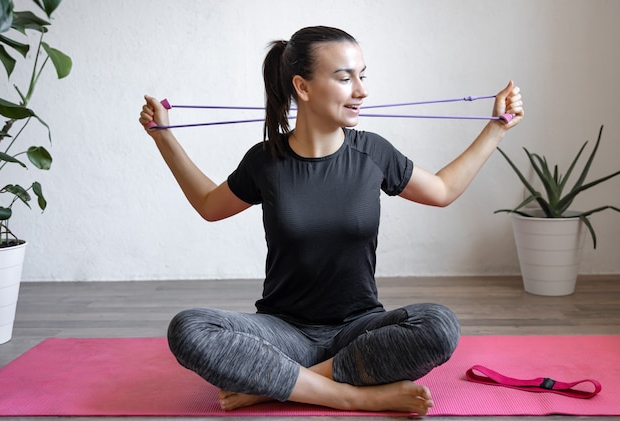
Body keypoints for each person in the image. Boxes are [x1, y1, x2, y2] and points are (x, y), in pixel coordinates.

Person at [139, 26, 523, 415]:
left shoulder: (372, 152)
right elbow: (209, 205)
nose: (362, 90)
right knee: (189, 328)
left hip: (359, 329)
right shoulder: (265, 161)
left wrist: (497, 128)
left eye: (362, 75)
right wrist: (163, 137)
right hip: (282, 331)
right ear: (303, 88)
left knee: (439, 324)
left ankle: (276, 385)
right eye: (345, 77)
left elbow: (441, 190)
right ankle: (351, 395)